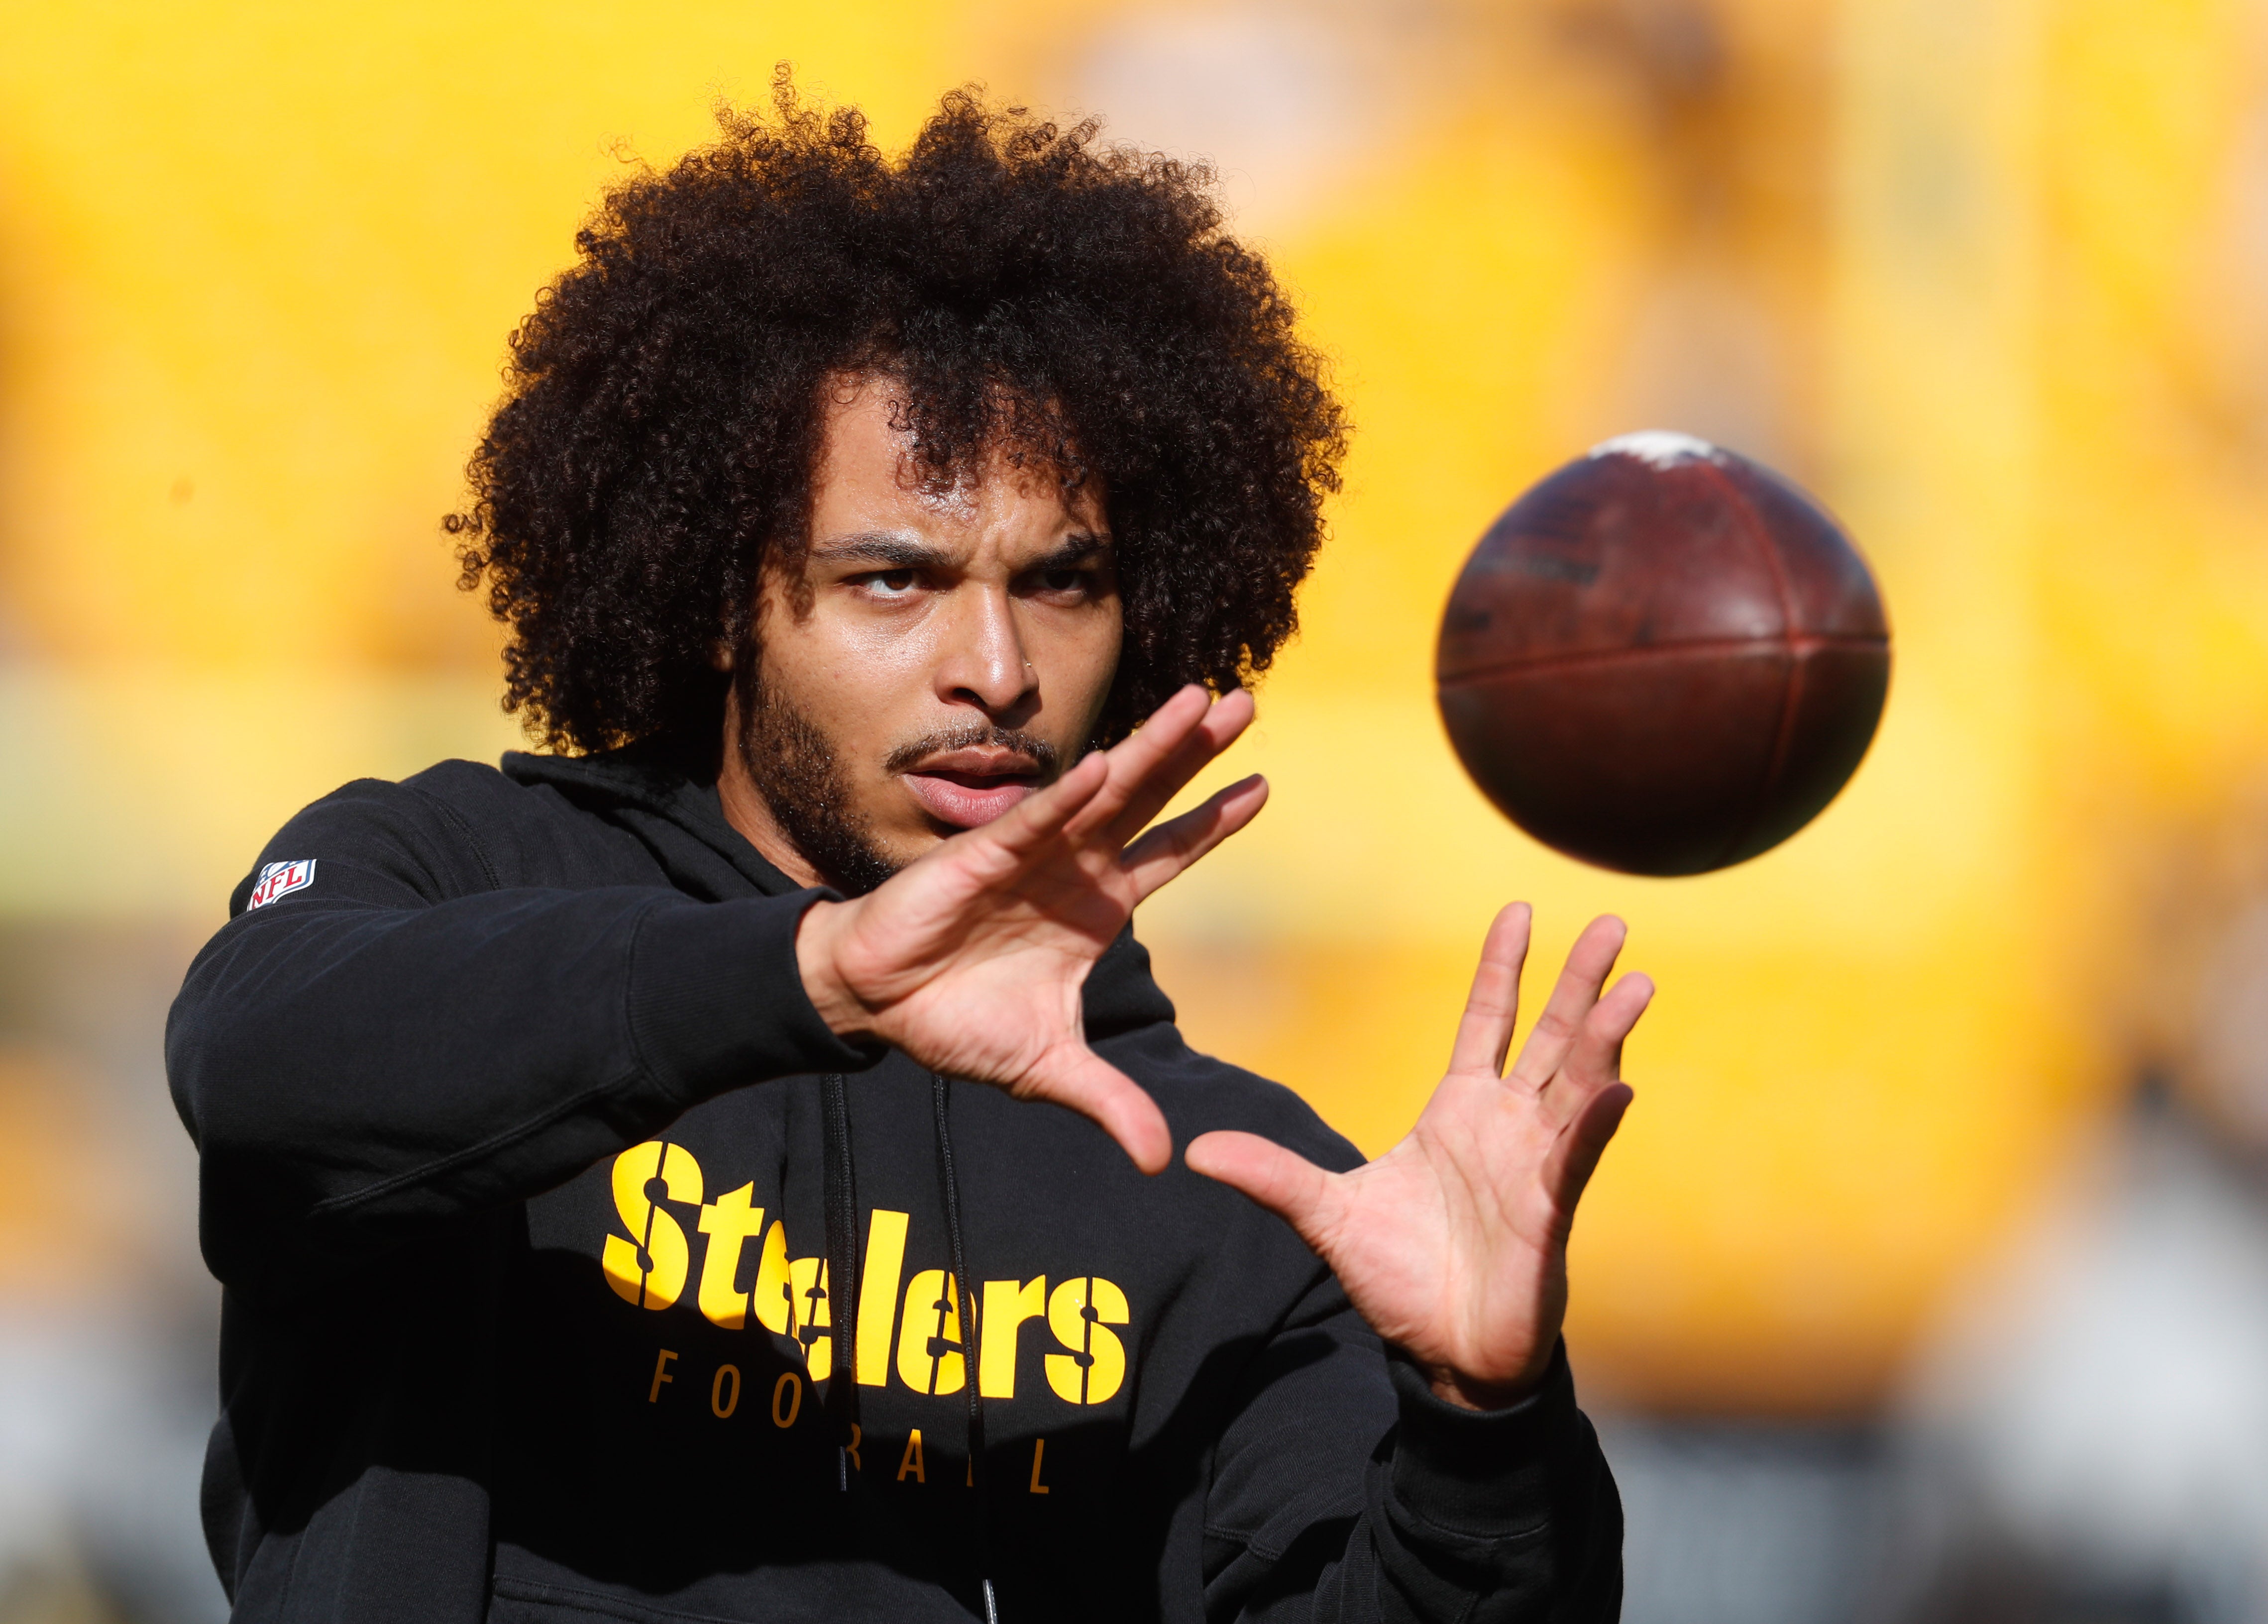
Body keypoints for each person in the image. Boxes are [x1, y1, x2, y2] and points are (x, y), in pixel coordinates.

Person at [167, 76, 1650, 1624]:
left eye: (1062, 585)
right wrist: (811, 976)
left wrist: (1481, 1426)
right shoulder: (450, 873)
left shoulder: (1219, 1179)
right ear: (709, 596)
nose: (995, 668)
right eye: (895, 582)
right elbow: (262, 1070)